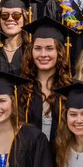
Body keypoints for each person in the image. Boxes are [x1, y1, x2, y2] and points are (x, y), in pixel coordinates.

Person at [20, 17, 75, 146]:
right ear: (31, 51)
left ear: (59, 52)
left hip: (62, 160)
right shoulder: (22, 88)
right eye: (38, 48)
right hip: (29, 159)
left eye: (49, 48)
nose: (43, 54)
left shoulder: (71, 88)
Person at [0, 0, 32, 75]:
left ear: (24, 19)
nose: (10, 19)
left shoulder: (31, 52)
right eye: (4, 15)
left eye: (16, 15)